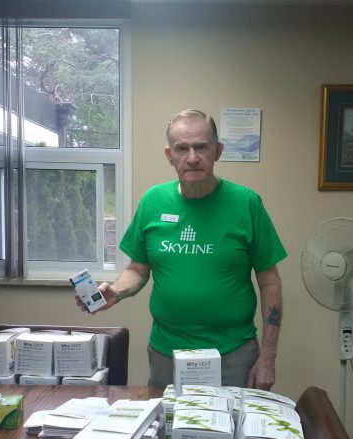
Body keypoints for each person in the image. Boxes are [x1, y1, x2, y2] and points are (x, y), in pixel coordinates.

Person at [76, 109, 287, 390]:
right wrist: (115, 291)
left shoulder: (246, 203)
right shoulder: (153, 201)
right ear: (169, 155)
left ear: (217, 151)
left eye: (201, 147)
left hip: (234, 354)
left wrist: (269, 356)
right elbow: (138, 269)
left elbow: (270, 281)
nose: (192, 157)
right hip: (167, 353)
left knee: (230, 430)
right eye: (182, 148)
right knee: (169, 430)